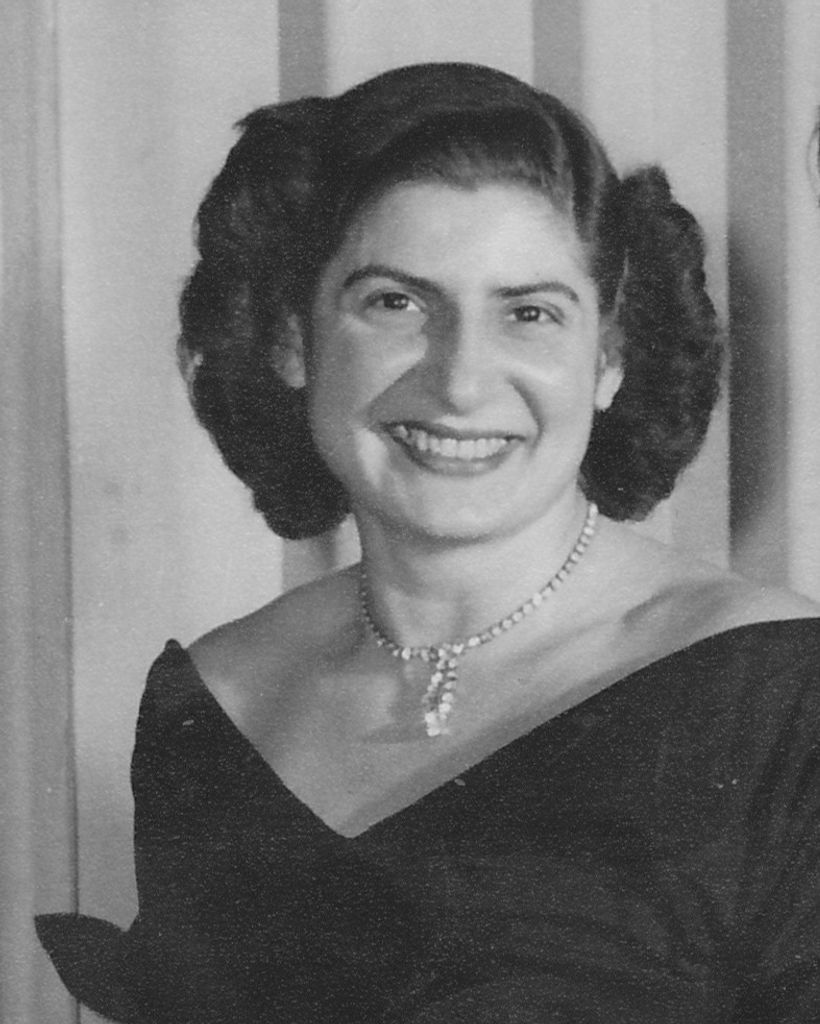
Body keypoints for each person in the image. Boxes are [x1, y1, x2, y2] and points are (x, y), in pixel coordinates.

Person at [36, 62, 820, 1023]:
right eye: (396, 303)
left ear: (610, 359)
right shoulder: (220, 703)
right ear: (291, 338)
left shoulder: (780, 698)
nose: (460, 381)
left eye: (529, 313)